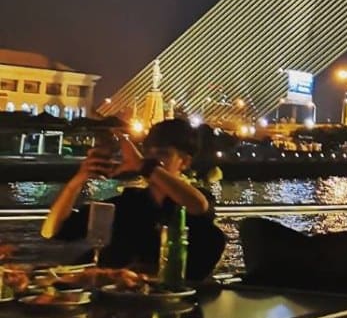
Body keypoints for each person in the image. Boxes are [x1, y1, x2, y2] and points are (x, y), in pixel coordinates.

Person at [42, 118, 225, 280]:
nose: (152, 160)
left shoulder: (195, 202)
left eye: (162, 154)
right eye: (148, 154)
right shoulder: (128, 203)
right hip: (117, 298)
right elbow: (51, 231)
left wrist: (143, 166)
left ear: (184, 162)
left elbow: (198, 205)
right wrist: (77, 181)